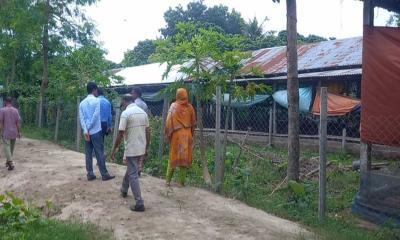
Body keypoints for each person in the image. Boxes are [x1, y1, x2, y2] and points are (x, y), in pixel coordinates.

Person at [111, 94, 150, 212]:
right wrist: (147, 147)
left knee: (133, 174)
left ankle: (139, 203)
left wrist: (114, 149)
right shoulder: (143, 113)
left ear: (124, 101)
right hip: (141, 147)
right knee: (131, 169)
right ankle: (124, 189)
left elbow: (120, 133)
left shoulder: (125, 114)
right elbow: (148, 131)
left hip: (132, 148)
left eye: (122, 102)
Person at [79, 82, 115, 181]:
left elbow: (81, 118)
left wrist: (86, 130)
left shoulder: (82, 103)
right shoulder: (97, 101)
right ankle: (104, 174)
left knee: (88, 153)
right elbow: (95, 116)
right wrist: (90, 127)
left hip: (86, 132)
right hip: (96, 130)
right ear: (94, 90)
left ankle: (90, 174)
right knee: (99, 152)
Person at [165, 88, 196, 187]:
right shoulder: (190, 107)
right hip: (187, 135)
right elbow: (193, 123)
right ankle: (182, 183)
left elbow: (168, 122)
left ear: (177, 95)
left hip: (176, 135)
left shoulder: (173, 106)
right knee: (184, 159)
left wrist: (168, 135)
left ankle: (167, 181)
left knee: (173, 157)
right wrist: (191, 134)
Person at [130, 87, 150, 176]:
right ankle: (139, 166)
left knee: (134, 148)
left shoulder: (134, 104)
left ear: (136, 94)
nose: (131, 95)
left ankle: (134, 168)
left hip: (134, 128)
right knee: (142, 147)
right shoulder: (144, 104)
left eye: (132, 93)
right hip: (143, 128)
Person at [0, 97, 21, 171]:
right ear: (11, 102)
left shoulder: (2, 110)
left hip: (6, 131)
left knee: (7, 147)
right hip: (14, 132)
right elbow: (17, 123)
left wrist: (1, 131)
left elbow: (1, 122)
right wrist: (19, 132)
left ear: (5, 102)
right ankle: (8, 162)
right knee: (11, 148)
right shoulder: (15, 110)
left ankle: (10, 162)